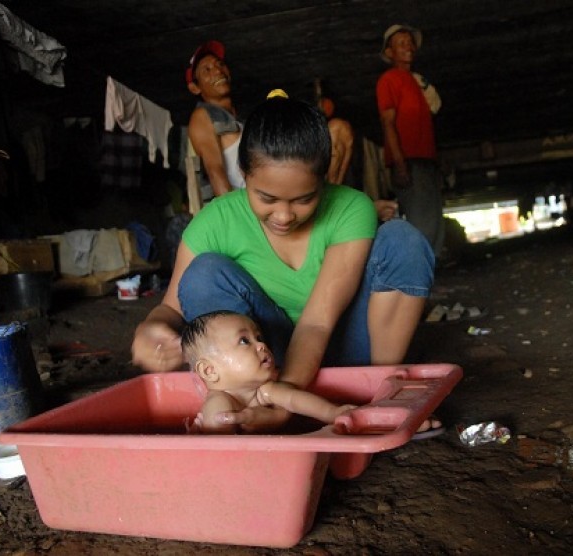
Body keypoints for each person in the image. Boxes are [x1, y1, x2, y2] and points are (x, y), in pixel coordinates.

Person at [131, 92, 437, 433]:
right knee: (203, 274)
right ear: (244, 173)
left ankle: (380, 392)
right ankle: (246, 403)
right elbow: (170, 308)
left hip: (346, 350)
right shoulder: (216, 221)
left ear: (323, 179)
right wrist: (151, 329)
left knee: (403, 241)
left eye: (304, 199)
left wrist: (284, 402)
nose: (284, 215)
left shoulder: (352, 208)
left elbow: (317, 324)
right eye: (267, 198)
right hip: (264, 362)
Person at [181, 310, 356, 433]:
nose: (262, 345)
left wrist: (332, 413)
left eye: (258, 338)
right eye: (244, 341)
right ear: (209, 370)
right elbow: (219, 450)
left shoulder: (264, 390)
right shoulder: (219, 403)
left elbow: (294, 399)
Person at [376, 24, 445, 255]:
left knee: (435, 221)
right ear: (389, 53)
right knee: (421, 223)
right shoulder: (389, 79)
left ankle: (429, 279)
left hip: (425, 160)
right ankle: (415, 281)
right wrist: (399, 164)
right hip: (409, 160)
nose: (409, 47)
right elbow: (388, 122)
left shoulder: (415, 82)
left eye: (410, 42)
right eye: (401, 43)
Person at [186, 40, 245, 196]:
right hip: (244, 208)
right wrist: (234, 217)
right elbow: (215, 172)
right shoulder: (202, 116)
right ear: (195, 87)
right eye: (207, 70)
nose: (218, 71)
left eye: (220, 64)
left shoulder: (238, 119)